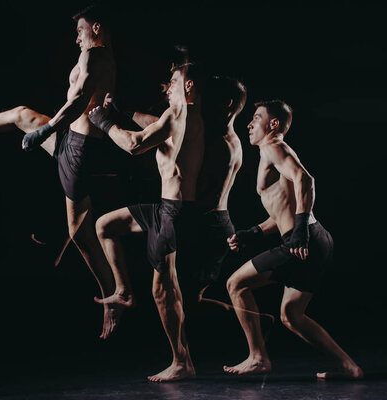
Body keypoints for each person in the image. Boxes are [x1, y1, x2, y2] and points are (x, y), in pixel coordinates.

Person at [0, 5, 132, 339]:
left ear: (96, 28)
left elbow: (78, 103)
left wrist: (45, 132)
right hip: (72, 140)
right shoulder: (104, 59)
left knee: (79, 234)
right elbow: (95, 100)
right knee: (20, 115)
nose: (77, 37)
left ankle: (113, 297)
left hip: (79, 150)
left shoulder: (95, 56)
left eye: (80, 30)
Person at [224, 100, 363, 380]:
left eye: (256, 118)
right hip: (315, 239)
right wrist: (252, 234)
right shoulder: (271, 152)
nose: (249, 124)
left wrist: (299, 231)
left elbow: (306, 179)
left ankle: (257, 357)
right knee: (291, 316)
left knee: (235, 284)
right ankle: (350, 367)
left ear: (273, 125)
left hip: (303, 240)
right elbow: (280, 213)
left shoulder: (274, 147)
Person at [88, 61, 205, 382]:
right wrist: (122, 112)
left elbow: (135, 144)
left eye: (174, 79)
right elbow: (151, 123)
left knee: (163, 291)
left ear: (189, 85)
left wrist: (103, 122)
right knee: (105, 226)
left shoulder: (180, 114)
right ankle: (123, 291)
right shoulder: (187, 117)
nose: (167, 85)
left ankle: (182, 362)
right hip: (165, 206)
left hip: (175, 211)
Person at [180, 76, 247, 310]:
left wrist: (129, 113)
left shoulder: (220, 141)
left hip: (208, 227)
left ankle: (255, 323)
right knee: (190, 300)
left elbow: (169, 129)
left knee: (182, 300)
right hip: (216, 224)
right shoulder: (231, 139)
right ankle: (257, 322)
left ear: (226, 103)